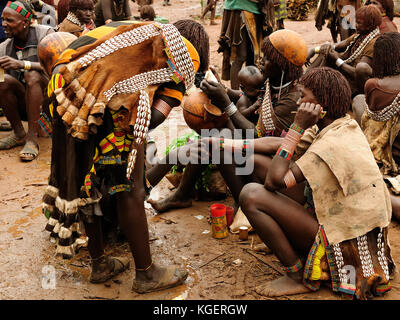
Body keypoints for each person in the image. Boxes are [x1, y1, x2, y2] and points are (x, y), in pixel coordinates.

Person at [41, 19, 209, 293]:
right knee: (129, 187)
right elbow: (151, 119)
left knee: (87, 181)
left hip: (63, 89)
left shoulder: (136, 28)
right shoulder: (184, 56)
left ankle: (100, 264)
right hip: (104, 105)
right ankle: (146, 274)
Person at [239, 66, 394, 299]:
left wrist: (297, 127)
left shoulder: (330, 144)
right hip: (341, 223)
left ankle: (296, 274)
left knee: (251, 195)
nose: (299, 102)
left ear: (320, 104)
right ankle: (283, 241)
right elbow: (276, 149)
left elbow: (273, 182)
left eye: (303, 96)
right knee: (256, 163)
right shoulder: (339, 124)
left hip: (345, 243)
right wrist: (226, 145)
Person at [147, 29, 307, 213]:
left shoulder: (293, 98)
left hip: (277, 164)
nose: (261, 61)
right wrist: (224, 90)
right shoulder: (274, 81)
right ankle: (183, 194)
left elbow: (258, 136)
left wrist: (226, 103)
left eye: (268, 59)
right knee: (214, 136)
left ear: (282, 66)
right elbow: (250, 95)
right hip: (261, 148)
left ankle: (243, 203)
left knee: (219, 144)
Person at [0, 1, 54, 161]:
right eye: (3, 19)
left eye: (9, 20)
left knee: (32, 75)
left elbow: (57, 67)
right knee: (2, 80)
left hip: (48, 104)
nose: (4, 24)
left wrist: (24, 64)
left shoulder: (45, 35)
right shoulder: (4, 47)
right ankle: (18, 133)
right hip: (25, 104)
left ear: (25, 22)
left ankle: (32, 139)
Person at [360, 32, 400, 222]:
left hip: (381, 153)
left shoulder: (372, 85)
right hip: (396, 151)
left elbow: (370, 115)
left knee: (358, 101)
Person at [307, 5, 382, 97]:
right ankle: (306, 80)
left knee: (330, 56)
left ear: (369, 25)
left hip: (355, 84)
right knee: (326, 52)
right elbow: (337, 46)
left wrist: (337, 61)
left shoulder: (374, 43)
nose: (355, 25)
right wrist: (314, 50)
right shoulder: (359, 35)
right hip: (346, 74)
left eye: (359, 23)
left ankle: (308, 83)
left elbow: (357, 73)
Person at [218, 0, 275, 89]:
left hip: (256, 11)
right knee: (239, 56)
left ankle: (250, 94)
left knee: (253, 56)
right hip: (240, 9)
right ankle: (236, 95)